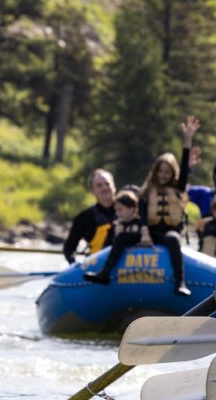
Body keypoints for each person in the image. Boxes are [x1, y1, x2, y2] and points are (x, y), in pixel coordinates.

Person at [86, 119, 197, 294]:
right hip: (150, 232)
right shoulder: (147, 191)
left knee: (174, 240)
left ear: (172, 174)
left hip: (168, 232)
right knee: (122, 238)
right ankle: (105, 273)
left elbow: (184, 168)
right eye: (160, 172)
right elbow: (143, 213)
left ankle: (180, 282)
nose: (163, 175)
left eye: (167, 172)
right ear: (155, 172)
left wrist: (187, 140)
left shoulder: (177, 188)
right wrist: (144, 232)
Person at [81, 190, 142, 285]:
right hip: (119, 262)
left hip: (140, 263)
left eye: (121, 210)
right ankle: (104, 272)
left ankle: (105, 274)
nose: (117, 214)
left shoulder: (142, 226)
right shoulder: (115, 226)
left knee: (122, 237)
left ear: (132, 209)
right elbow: (106, 247)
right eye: (116, 210)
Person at [63, 169, 116, 263]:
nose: (104, 188)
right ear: (92, 191)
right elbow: (69, 248)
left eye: (107, 184)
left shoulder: (132, 211)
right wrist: (75, 266)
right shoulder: (83, 218)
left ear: (114, 186)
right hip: (98, 267)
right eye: (99, 185)